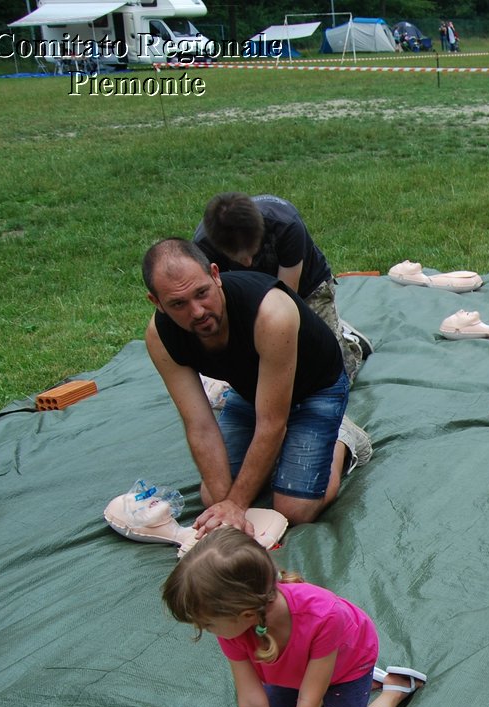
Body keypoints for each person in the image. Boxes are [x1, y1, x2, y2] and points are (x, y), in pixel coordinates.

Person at [162, 528, 422, 707]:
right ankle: (336, 702)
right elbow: (251, 701)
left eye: (208, 624)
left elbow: (308, 700)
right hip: (293, 672)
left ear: (247, 613)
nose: (206, 631)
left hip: (347, 667)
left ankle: (392, 691)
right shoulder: (235, 630)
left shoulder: (324, 616)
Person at [142, 238, 369, 532]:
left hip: (317, 389)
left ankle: (342, 438)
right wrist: (225, 503)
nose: (197, 311)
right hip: (253, 391)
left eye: (202, 293)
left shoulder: (270, 312)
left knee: (295, 510)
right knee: (212, 496)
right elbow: (198, 424)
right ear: (156, 302)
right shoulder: (160, 336)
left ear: (215, 275)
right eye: (178, 304)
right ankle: (288, 452)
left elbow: (272, 423)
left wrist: (236, 506)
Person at [195, 193, 365, 383]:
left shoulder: (286, 225)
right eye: (238, 258)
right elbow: (219, 300)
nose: (248, 262)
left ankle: (345, 339)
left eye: (252, 252)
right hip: (245, 291)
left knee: (334, 377)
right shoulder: (203, 247)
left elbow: (286, 300)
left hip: (305, 288)